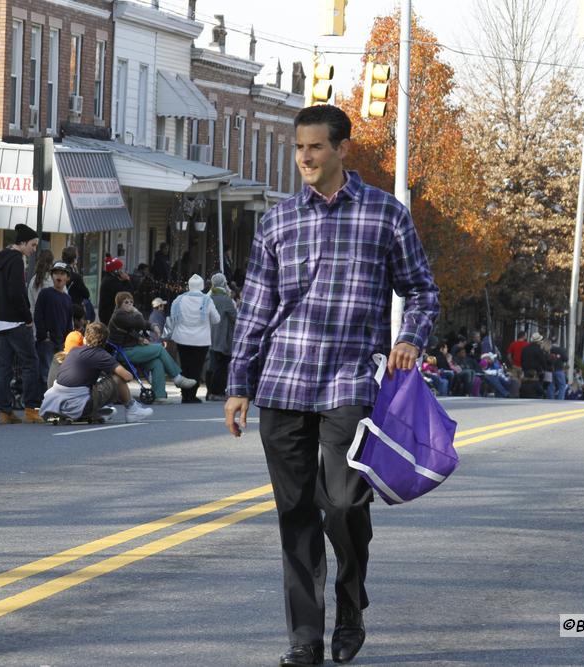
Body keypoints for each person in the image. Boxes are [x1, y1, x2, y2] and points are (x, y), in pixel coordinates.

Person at [224, 105, 439, 667]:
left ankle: (351, 605)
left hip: (348, 382)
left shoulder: (385, 215)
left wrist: (411, 336)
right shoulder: (278, 221)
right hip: (283, 383)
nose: (305, 158)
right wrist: (238, 382)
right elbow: (255, 309)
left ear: (343, 148)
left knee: (343, 504)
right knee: (294, 515)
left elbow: (421, 289)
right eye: (299, 149)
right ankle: (305, 639)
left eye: (316, 147)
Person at [40, 323, 154, 423]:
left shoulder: (74, 351)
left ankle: (95, 413)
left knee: (90, 386)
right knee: (117, 378)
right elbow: (127, 376)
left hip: (53, 402)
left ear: (85, 339)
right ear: (105, 341)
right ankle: (132, 410)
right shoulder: (100, 354)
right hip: (78, 405)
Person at [0, 223, 44, 424]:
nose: (34, 250)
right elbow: (17, 292)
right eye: (32, 245)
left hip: (0, 320)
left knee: (4, 367)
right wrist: (27, 317)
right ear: (22, 243)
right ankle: (31, 408)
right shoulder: (16, 260)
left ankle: (5, 411)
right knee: (31, 363)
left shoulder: (2, 259)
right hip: (15, 320)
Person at [108, 291, 196, 400]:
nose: (130, 304)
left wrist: (152, 327)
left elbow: (141, 325)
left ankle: (159, 396)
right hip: (124, 351)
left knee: (157, 363)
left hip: (131, 349)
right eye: (126, 302)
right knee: (159, 349)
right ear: (119, 304)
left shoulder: (126, 315)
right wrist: (137, 312)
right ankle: (177, 377)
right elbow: (138, 323)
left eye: (131, 302)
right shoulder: (119, 315)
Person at [168, 274, 219, 403]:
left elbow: (173, 317)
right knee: (197, 367)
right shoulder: (207, 300)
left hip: (182, 338)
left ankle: (185, 394)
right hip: (201, 339)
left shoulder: (179, 299)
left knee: (185, 366)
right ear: (201, 286)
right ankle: (192, 395)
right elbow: (216, 319)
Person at [33, 261, 74, 392]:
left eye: (62, 273)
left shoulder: (67, 299)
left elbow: (69, 322)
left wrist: (68, 341)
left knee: (59, 375)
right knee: (45, 373)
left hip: (61, 343)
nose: (59, 276)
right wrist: (43, 335)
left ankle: (54, 402)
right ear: (51, 276)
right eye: (56, 273)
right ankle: (42, 401)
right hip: (47, 341)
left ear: (67, 278)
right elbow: (38, 315)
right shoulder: (45, 293)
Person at [206, 273, 237, 401]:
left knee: (211, 366)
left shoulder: (208, 297)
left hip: (208, 337)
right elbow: (235, 317)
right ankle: (217, 392)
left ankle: (210, 392)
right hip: (222, 338)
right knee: (222, 366)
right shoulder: (225, 299)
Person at [62, 246, 94, 321]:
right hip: (74, 310)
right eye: (77, 257)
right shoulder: (75, 276)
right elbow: (86, 294)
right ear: (74, 259)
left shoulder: (58, 272)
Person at [98, 257, 133, 325]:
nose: (122, 271)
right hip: (109, 315)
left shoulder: (110, 279)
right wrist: (127, 280)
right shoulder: (111, 281)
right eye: (120, 269)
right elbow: (127, 294)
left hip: (109, 314)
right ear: (115, 271)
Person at [27, 248, 54, 315]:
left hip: (36, 319)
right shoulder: (53, 279)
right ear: (51, 262)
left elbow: (31, 304)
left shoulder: (33, 280)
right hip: (51, 319)